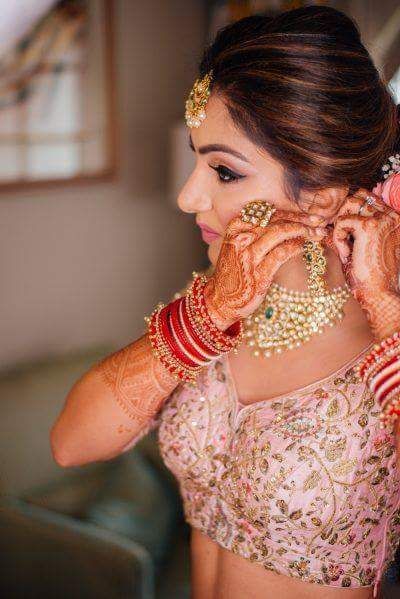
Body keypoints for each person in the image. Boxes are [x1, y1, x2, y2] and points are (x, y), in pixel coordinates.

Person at [50, 6, 400, 598]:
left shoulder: (386, 332)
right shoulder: (210, 309)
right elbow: (71, 444)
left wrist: (391, 316)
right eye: (195, 160)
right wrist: (206, 315)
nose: (189, 197)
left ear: (321, 193)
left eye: (224, 171)